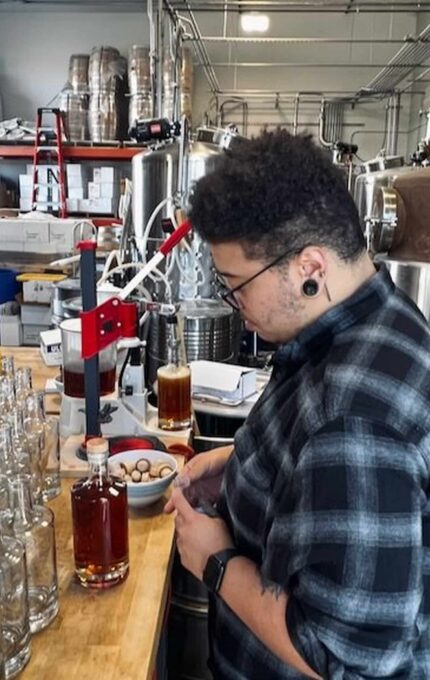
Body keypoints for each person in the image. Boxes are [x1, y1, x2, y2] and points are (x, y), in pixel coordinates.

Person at [164, 129, 430, 679]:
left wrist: (215, 563)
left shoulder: (355, 420)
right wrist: (239, 466)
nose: (234, 304)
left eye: (237, 284)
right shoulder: (366, 318)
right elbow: (309, 459)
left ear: (310, 269)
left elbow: (340, 656)